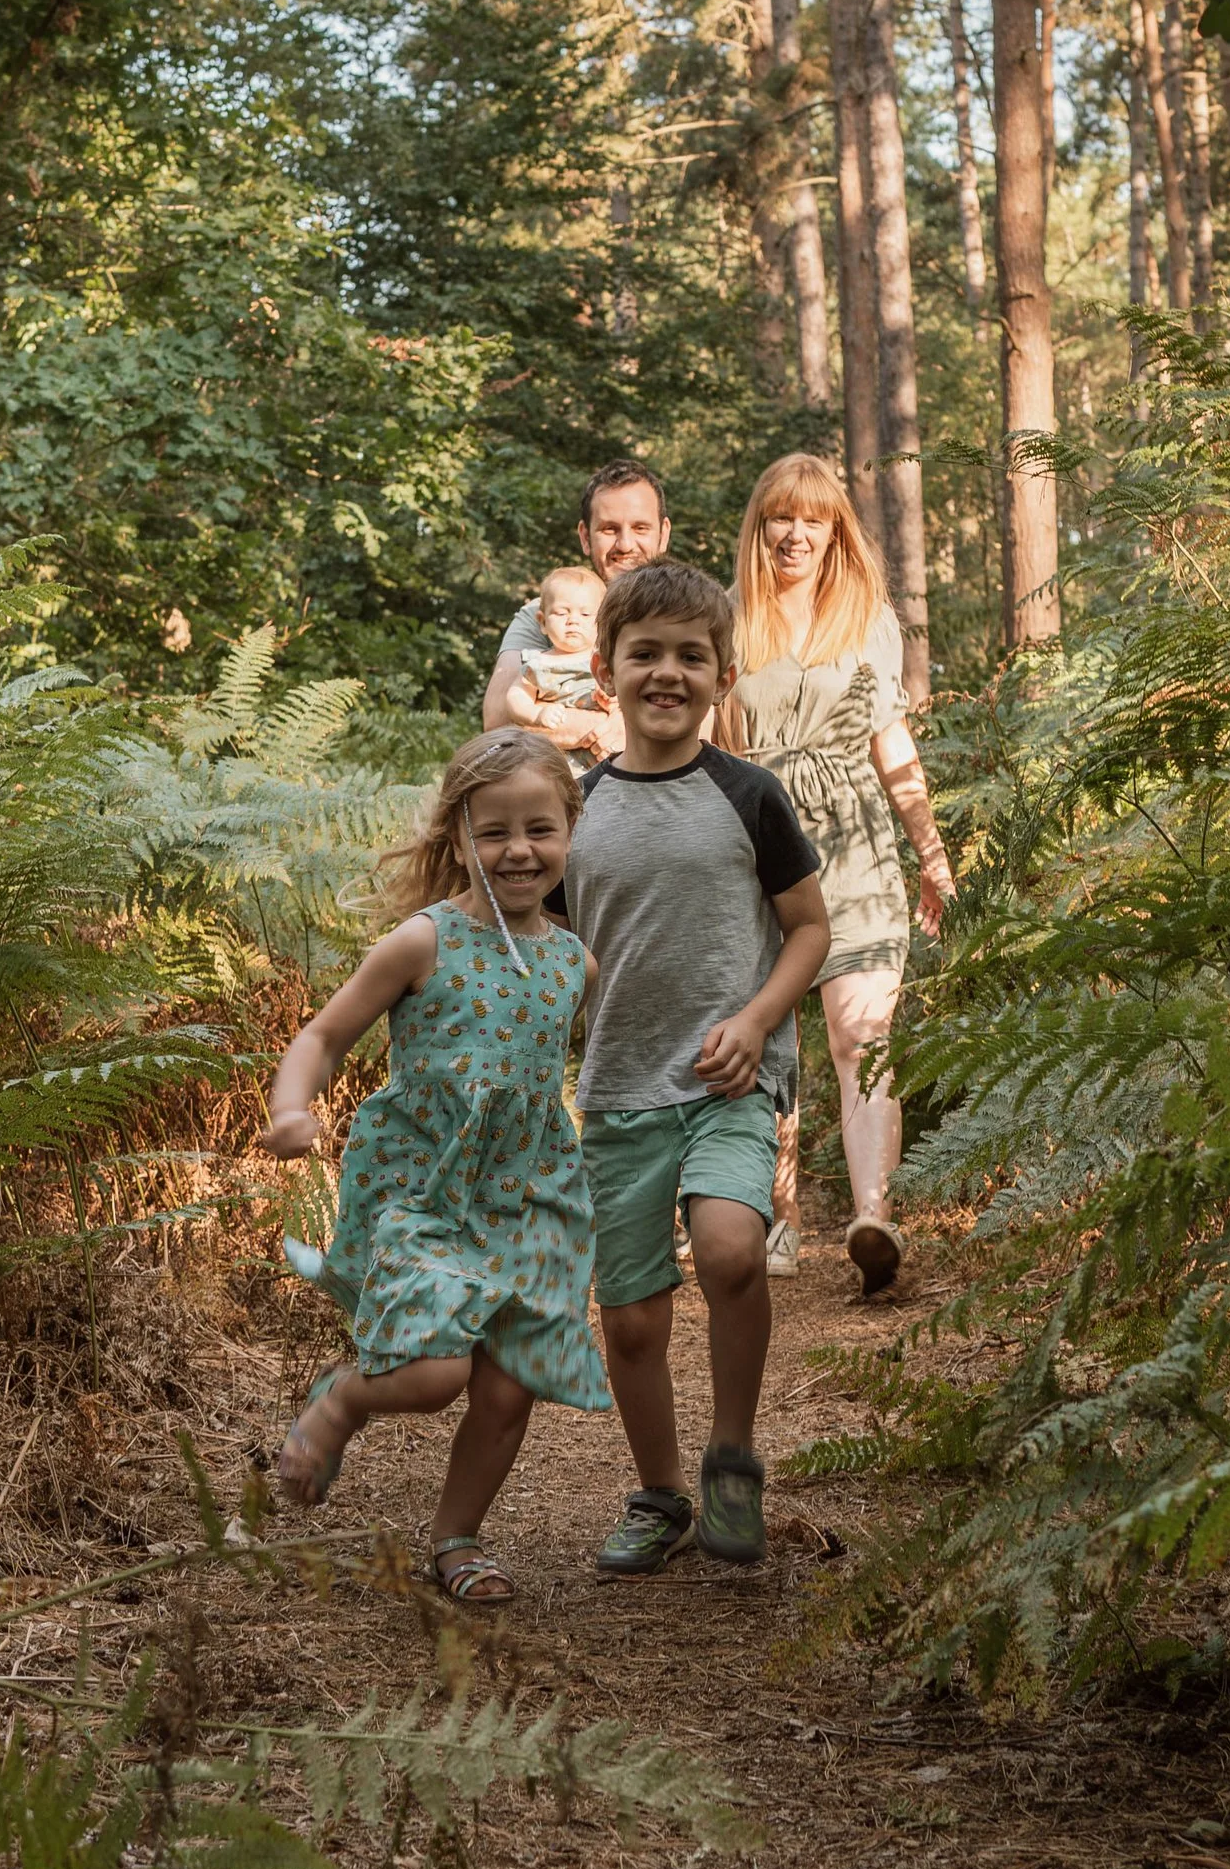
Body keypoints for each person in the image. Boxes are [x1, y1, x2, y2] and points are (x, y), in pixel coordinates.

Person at [252, 732, 608, 1606]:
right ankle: (340, 1401)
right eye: (494, 833)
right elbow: (323, 1037)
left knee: (507, 1384)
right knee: (436, 1372)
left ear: (570, 832)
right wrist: (291, 1108)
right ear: (459, 838)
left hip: (529, 1194)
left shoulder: (575, 961)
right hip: (426, 1186)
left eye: (540, 829)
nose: (519, 851)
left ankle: (457, 1538)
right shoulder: (422, 942)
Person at [565, 558, 831, 1575]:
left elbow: (807, 929)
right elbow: (546, 955)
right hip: (620, 1089)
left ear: (723, 674)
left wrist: (759, 1020)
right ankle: (659, 1492)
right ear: (606, 672)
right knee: (629, 1315)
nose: (666, 673)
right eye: (645, 655)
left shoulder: (747, 795)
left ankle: (732, 1457)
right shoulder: (574, 805)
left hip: (730, 1080)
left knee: (728, 1251)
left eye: (690, 655)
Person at [729, 453, 955, 1297]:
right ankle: (777, 1224)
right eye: (781, 518)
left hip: (857, 846)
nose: (796, 534)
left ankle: (872, 1217)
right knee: (766, 1042)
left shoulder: (868, 619)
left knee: (862, 1040)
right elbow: (716, 745)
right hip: (757, 847)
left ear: (834, 532)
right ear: (762, 527)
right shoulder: (730, 619)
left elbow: (891, 745)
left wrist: (930, 850)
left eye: (813, 520)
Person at [482, 458, 670, 747]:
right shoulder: (544, 613)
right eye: (609, 529)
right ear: (585, 537)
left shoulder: (686, 617)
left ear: (663, 534)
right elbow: (497, 722)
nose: (625, 544)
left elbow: (703, 726)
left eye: (641, 528)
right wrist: (618, 728)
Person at [512, 564, 615, 760]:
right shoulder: (539, 663)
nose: (573, 621)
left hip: (605, 756)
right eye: (561, 613)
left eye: (585, 614)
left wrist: (614, 701)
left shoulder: (607, 660)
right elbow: (516, 696)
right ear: (542, 622)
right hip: (554, 758)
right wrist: (536, 714)